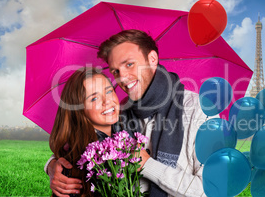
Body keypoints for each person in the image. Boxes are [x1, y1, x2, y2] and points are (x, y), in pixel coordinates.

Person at [46, 29, 210, 196]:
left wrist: (148, 165)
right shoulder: (122, 111)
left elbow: (212, 190)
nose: (122, 78)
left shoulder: (198, 110)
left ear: (152, 59)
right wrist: (53, 166)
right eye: (116, 71)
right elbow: (87, 143)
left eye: (129, 64)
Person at [47, 67, 121, 196]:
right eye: (94, 98)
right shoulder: (76, 163)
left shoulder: (127, 132)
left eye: (109, 91)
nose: (107, 101)